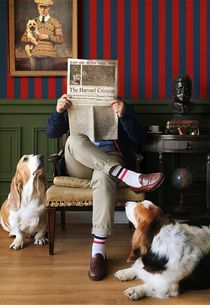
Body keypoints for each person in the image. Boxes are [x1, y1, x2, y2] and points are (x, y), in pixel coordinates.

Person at [45, 94, 165, 281]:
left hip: (110, 158)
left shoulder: (119, 104)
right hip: (78, 161)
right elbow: (51, 132)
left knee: (104, 175)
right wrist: (59, 111)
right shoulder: (72, 102)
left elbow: (139, 137)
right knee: (74, 139)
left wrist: (124, 115)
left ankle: (98, 252)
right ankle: (128, 176)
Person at [22, 0, 63, 71]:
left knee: (48, 80)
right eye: (40, 7)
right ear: (37, 7)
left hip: (48, 56)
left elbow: (60, 39)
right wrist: (29, 43)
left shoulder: (55, 22)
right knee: (34, 80)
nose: (42, 9)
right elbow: (23, 38)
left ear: (49, 8)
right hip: (34, 55)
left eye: (45, 7)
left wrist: (48, 37)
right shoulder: (33, 22)